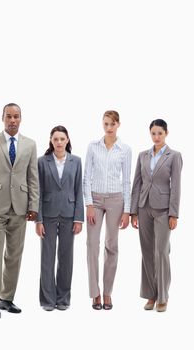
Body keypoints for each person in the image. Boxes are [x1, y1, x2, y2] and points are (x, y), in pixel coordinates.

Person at [0, 103, 39, 319]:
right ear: (2, 118)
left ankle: (6, 298)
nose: (13, 120)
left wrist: (33, 205)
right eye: (9, 116)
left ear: (21, 119)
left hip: (20, 208)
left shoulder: (30, 145)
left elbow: (33, 178)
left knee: (14, 255)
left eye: (16, 116)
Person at [130, 119, 182, 312]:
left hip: (163, 210)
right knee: (147, 253)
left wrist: (174, 213)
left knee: (161, 252)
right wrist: (133, 211)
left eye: (160, 133)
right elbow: (136, 184)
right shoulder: (142, 155)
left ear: (166, 133)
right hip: (144, 208)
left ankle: (163, 296)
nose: (156, 137)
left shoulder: (174, 156)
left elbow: (176, 186)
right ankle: (151, 294)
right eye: (153, 133)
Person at [83, 110, 132, 310]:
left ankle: (107, 293)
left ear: (118, 124)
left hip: (116, 200)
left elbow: (127, 181)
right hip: (95, 199)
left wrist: (127, 210)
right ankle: (95, 293)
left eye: (112, 124)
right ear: (102, 124)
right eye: (105, 124)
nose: (109, 128)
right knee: (92, 246)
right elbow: (86, 178)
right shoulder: (93, 147)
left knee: (112, 246)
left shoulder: (125, 150)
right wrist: (88, 205)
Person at [35, 125, 84, 311]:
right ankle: (47, 300)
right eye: (55, 139)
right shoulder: (42, 162)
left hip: (69, 215)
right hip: (47, 214)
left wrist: (78, 218)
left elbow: (79, 191)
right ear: (51, 141)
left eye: (62, 139)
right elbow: (37, 192)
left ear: (68, 140)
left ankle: (63, 299)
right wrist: (38, 220)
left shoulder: (76, 161)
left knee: (66, 258)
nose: (59, 142)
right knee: (47, 258)